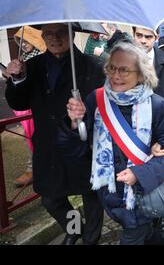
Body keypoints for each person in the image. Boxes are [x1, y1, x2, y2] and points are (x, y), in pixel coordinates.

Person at [67, 41, 164, 245]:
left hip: (143, 191)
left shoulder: (157, 105)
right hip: (111, 193)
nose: (115, 76)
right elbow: (81, 148)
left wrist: (139, 173)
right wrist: (76, 124)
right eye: (111, 68)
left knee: (135, 233)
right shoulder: (96, 99)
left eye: (124, 70)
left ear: (140, 74)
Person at [5, 23, 105, 245]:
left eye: (61, 33)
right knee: (51, 199)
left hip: (81, 146)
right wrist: (17, 79)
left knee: (91, 196)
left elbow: (103, 110)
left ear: (72, 34)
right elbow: (18, 101)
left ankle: (91, 240)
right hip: (49, 146)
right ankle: (74, 227)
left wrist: (85, 111)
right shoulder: (31, 66)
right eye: (49, 34)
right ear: (42, 36)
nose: (55, 38)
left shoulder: (92, 66)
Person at [11, 26, 47, 186]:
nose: (24, 44)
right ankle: (33, 168)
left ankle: (37, 169)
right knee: (29, 137)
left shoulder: (43, 57)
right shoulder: (24, 58)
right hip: (27, 105)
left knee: (39, 137)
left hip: (41, 106)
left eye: (27, 40)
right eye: (21, 41)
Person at [133, 26, 164, 103]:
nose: (143, 40)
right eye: (139, 35)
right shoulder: (122, 62)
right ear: (133, 35)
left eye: (148, 37)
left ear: (156, 37)